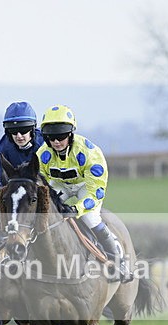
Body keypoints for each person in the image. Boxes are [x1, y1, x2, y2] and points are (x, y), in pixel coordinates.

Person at [35, 104, 132, 282]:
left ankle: (119, 262)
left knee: (90, 218)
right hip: (60, 185)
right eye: (51, 137)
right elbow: (42, 185)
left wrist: (77, 208)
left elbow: (97, 192)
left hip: (86, 186)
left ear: (71, 134)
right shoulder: (42, 154)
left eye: (61, 136)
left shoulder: (90, 153)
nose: (56, 142)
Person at [0, 101, 44, 186]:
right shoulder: (1, 150)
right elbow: (3, 183)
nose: (19, 136)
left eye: (23, 130)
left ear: (32, 129)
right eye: (13, 131)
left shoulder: (45, 143)